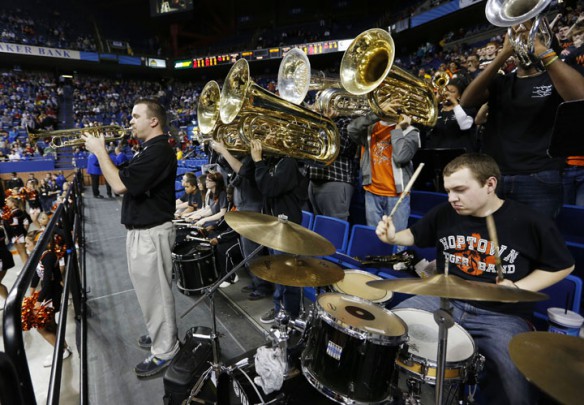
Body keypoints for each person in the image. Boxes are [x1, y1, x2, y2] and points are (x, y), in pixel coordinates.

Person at [376, 153, 574, 405]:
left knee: (514, 379)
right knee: (390, 329)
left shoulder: (529, 222)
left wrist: (518, 287)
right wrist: (394, 237)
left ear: (490, 184)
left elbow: (563, 265)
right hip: (445, 301)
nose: (451, 198)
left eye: (459, 190)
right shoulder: (445, 213)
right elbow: (415, 235)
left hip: (501, 315)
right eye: (448, 191)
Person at [82, 98, 179, 378]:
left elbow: (119, 184)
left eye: (136, 116)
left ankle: (166, 349)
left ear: (153, 121)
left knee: (157, 295)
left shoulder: (159, 150)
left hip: (151, 233)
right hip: (142, 232)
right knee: (150, 295)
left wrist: (100, 152)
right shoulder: (147, 150)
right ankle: (161, 333)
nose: (130, 121)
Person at [461, 28, 584, 219]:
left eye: (530, 37)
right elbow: (467, 101)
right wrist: (503, 54)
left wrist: (540, 49)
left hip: (541, 177)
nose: (523, 41)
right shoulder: (501, 82)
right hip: (497, 175)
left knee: (534, 243)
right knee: (498, 244)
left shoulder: (556, 78)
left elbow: (580, 97)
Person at [251, 139, 307, 323]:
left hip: (288, 226)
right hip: (275, 225)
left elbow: (270, 187)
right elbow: (246, 174)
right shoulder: (274, 162)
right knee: (278, 272)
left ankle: (291, 314)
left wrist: (258, 161)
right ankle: (279, 309)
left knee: (287, 275)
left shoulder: (288, 162)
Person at [210, 140, 271, 300]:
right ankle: (256, 281)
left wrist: (224, 150)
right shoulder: (243, 156)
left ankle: (263, 286)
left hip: (253, 209)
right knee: (247, 252)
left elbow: (243, 171)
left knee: (253, 251)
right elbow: (228, 167)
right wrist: (219, 151)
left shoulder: (253, 156)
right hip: (243, 209)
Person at [347, 108, 420, 232]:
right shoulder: (370, 128)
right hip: (372, 192)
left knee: (397, 240)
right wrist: (376, 114)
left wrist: (398, 130)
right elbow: (351, 129)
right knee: (374, 237)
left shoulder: (411, 131)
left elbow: (401, 157)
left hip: (397, 195)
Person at [22, 231, 72, 367]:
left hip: (52, 293)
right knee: (50, 324)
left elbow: (48, 282)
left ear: (37, 244)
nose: (25, 245)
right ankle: (64, 347)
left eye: (28, 243)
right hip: (47, 292)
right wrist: (30, 294)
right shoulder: (40, 256)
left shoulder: (48, 257)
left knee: (42, 327)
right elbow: (36, 276)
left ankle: (61, 351)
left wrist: (38, 302)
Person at [307, 116, 357, 221]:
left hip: (336, 181)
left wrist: (327, 121)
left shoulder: (347, 120)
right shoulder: (318, 120)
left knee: (333, 229)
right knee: (317, 229)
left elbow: (342, 146)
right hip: (314, 179)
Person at [425, 78, 477, 152]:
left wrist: (455, 103)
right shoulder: (436, 109)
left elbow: (465, 125)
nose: (447, 93)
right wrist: (434, 101)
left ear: (460, 95)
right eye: (445, 90)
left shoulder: (467, 108)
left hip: (460, 154)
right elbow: (424, 127)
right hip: (437, 153)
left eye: (452, 92)